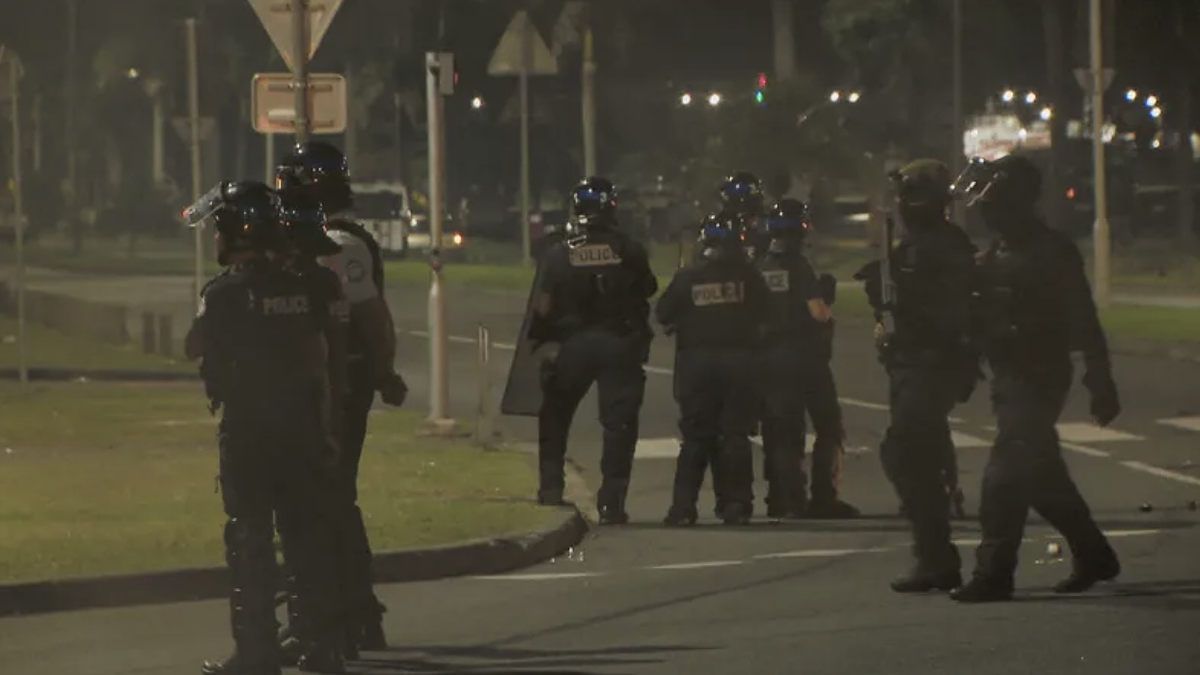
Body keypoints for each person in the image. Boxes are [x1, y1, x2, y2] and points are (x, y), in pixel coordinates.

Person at [185, 181, 345, 675]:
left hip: (251, 435)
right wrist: (327, 427)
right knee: (307, 539)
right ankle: (321, 646)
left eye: (219, 229)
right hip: (302, 430)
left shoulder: (226, 293)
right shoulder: (311, 285)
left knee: (250, 544)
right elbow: (324, 357)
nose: (214, 238)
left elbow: (195, 347)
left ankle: (257, 654)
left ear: (238, 231)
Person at [948, 155, 1121, 603]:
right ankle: (1094, 553)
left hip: (1039, 375)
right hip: (1007, 378)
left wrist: (1100, 379)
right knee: (1042, 476)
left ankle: (994, 573)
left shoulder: (1050, 251)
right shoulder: (991, 254)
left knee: (1006, 475)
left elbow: (1083, 317)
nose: (985, 208)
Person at [275, 141, 408, 653]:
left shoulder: (337, 244)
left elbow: (372, 321)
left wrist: (381, 372)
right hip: (338, 385)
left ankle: (328, 617)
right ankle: (353, 614)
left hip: (334, 389)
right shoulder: (343, 239)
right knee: (333, 501)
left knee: (318, 504)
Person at [854, 159, 981, 594]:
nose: (906, 205)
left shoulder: (947, 246)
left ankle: (936, 554)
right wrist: (884, 313)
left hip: (934, 363)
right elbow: (894, 305)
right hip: (909, 363)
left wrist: (903, 306)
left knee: (904, 452)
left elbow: (952, 314)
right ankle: (933, 552)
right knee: (914, 454)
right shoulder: (910, 245)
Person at [531, 177, 658, 524]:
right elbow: (648, 287)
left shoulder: (558, 253)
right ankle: (612, 502)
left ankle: (551, 487)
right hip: (620, 343)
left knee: (555, 416)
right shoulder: (629, 249)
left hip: (574, 346)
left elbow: (541, 307)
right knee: (619, 426)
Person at [657, 211, 771, 526]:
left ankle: (683, 508)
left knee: (696, 436)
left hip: (698, 364)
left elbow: (664, 313)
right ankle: (735, 504)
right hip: (740, 362)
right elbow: (766, 312)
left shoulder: (689, 276)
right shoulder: (749, 276)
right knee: (734, 434)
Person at [756, 199, 859, 519]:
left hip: (770, 358)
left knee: (785, 432)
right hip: (806, 359)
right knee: (829, 427)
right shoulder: (799, 267)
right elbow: (818, 313)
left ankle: (789, 500)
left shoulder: (760, 266)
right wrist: (826, 299)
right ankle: (824, 498)